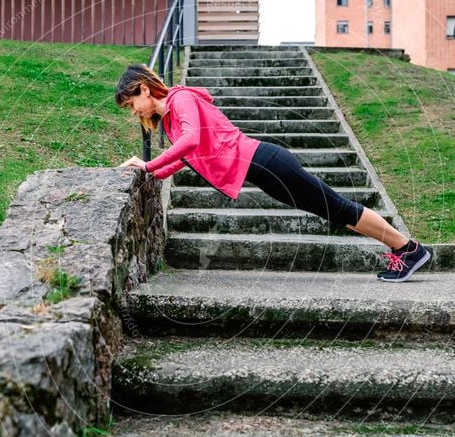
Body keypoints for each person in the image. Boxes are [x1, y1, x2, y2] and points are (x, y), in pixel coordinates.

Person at [115, 64, 431, 283]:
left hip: (267, 162)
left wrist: (147, 165)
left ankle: (409, 249)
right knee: (336, 212)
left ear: (144, 89)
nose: (134, 112)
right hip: (265, 172)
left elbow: (192, 141)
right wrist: (152, 174)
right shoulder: (170, 121)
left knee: (337, 206)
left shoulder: (180, 99)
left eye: (131, 104)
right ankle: (403, 250)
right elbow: (190, 157)